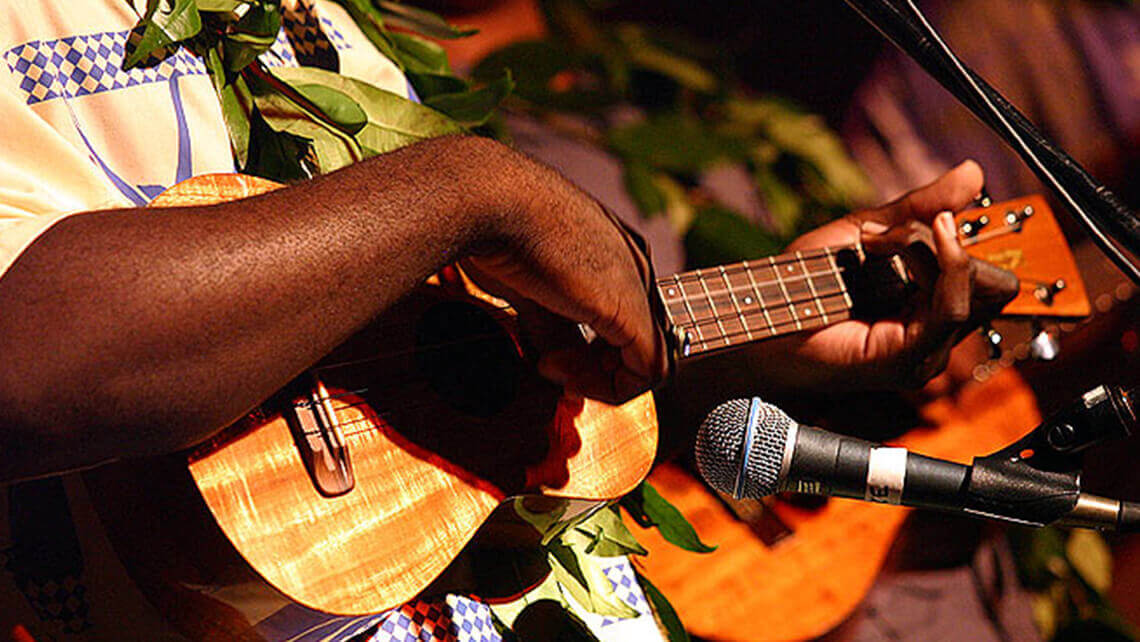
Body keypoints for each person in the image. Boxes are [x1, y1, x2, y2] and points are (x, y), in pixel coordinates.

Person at [0, 0, 1013, 639]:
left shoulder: (329, 29)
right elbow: (23, 362)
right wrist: (473, 188)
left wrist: (751, 325)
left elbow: (423, 380)